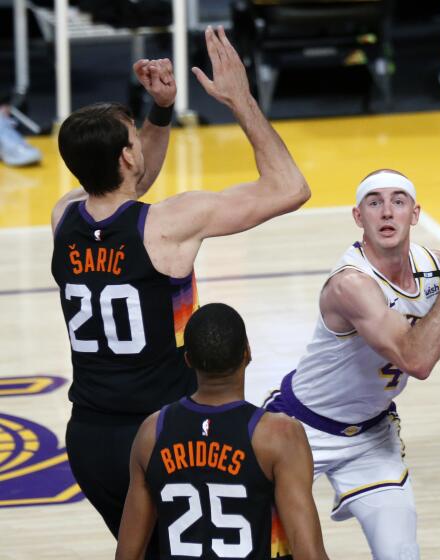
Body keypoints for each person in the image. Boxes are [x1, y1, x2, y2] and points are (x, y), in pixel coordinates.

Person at [50, 27, 310, 548]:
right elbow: (289, 188)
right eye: (132, 140)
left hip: (89, 437)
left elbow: (125, 189)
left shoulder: (65, 217)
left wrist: (158, 113)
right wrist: (241, 100)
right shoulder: (170, 223)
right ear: (126, 157)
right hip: (163, 436)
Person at [263, 169, 440, 559]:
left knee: (401, 554)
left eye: (398, 201)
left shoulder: (437, 267)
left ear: (415, 214)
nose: (387, 213)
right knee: (269, 550)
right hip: (299, 428)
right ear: (359, 217)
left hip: (371, 438)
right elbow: (417, 360)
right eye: (374, 203)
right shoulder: (351, 285)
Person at [115, 303, 328, 560]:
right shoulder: (278, 436)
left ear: (188, 360)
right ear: (247, 353)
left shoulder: (152, 433)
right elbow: (309, 553)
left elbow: (127, 555)